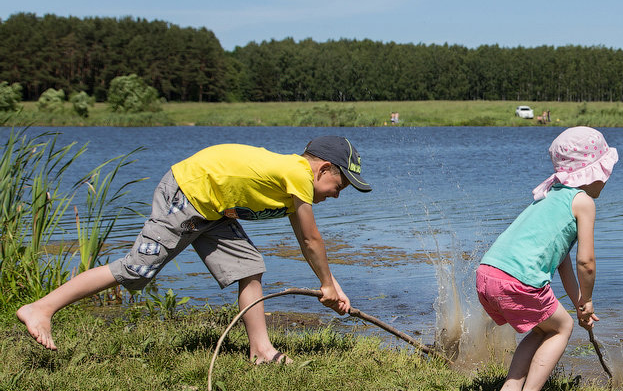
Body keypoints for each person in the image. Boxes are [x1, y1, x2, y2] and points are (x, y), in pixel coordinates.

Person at [17, 136, 371, 364]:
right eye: (339, 185)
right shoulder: (297, 173)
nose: (337, 194)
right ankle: (40, 308)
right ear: (323, 168)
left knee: (249, 267)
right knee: (135, 269)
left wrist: (331, 284)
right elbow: (310, 240)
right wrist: (326, 282)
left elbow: (308, 243)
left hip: (214, 206)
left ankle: (261, 351)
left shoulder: (295, 179)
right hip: (187, 195)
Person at [475, 127, 617, 391]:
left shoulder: (550, 196)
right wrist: (588, 299)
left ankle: (510, 390)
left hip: (489, 273)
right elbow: (585, 262)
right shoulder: (582, 202)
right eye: (606, 170)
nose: (608, 178)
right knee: (561, 328)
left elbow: (562, 261)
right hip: (517, 280)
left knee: (543, 329)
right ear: (593, 171)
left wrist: (579, 304)